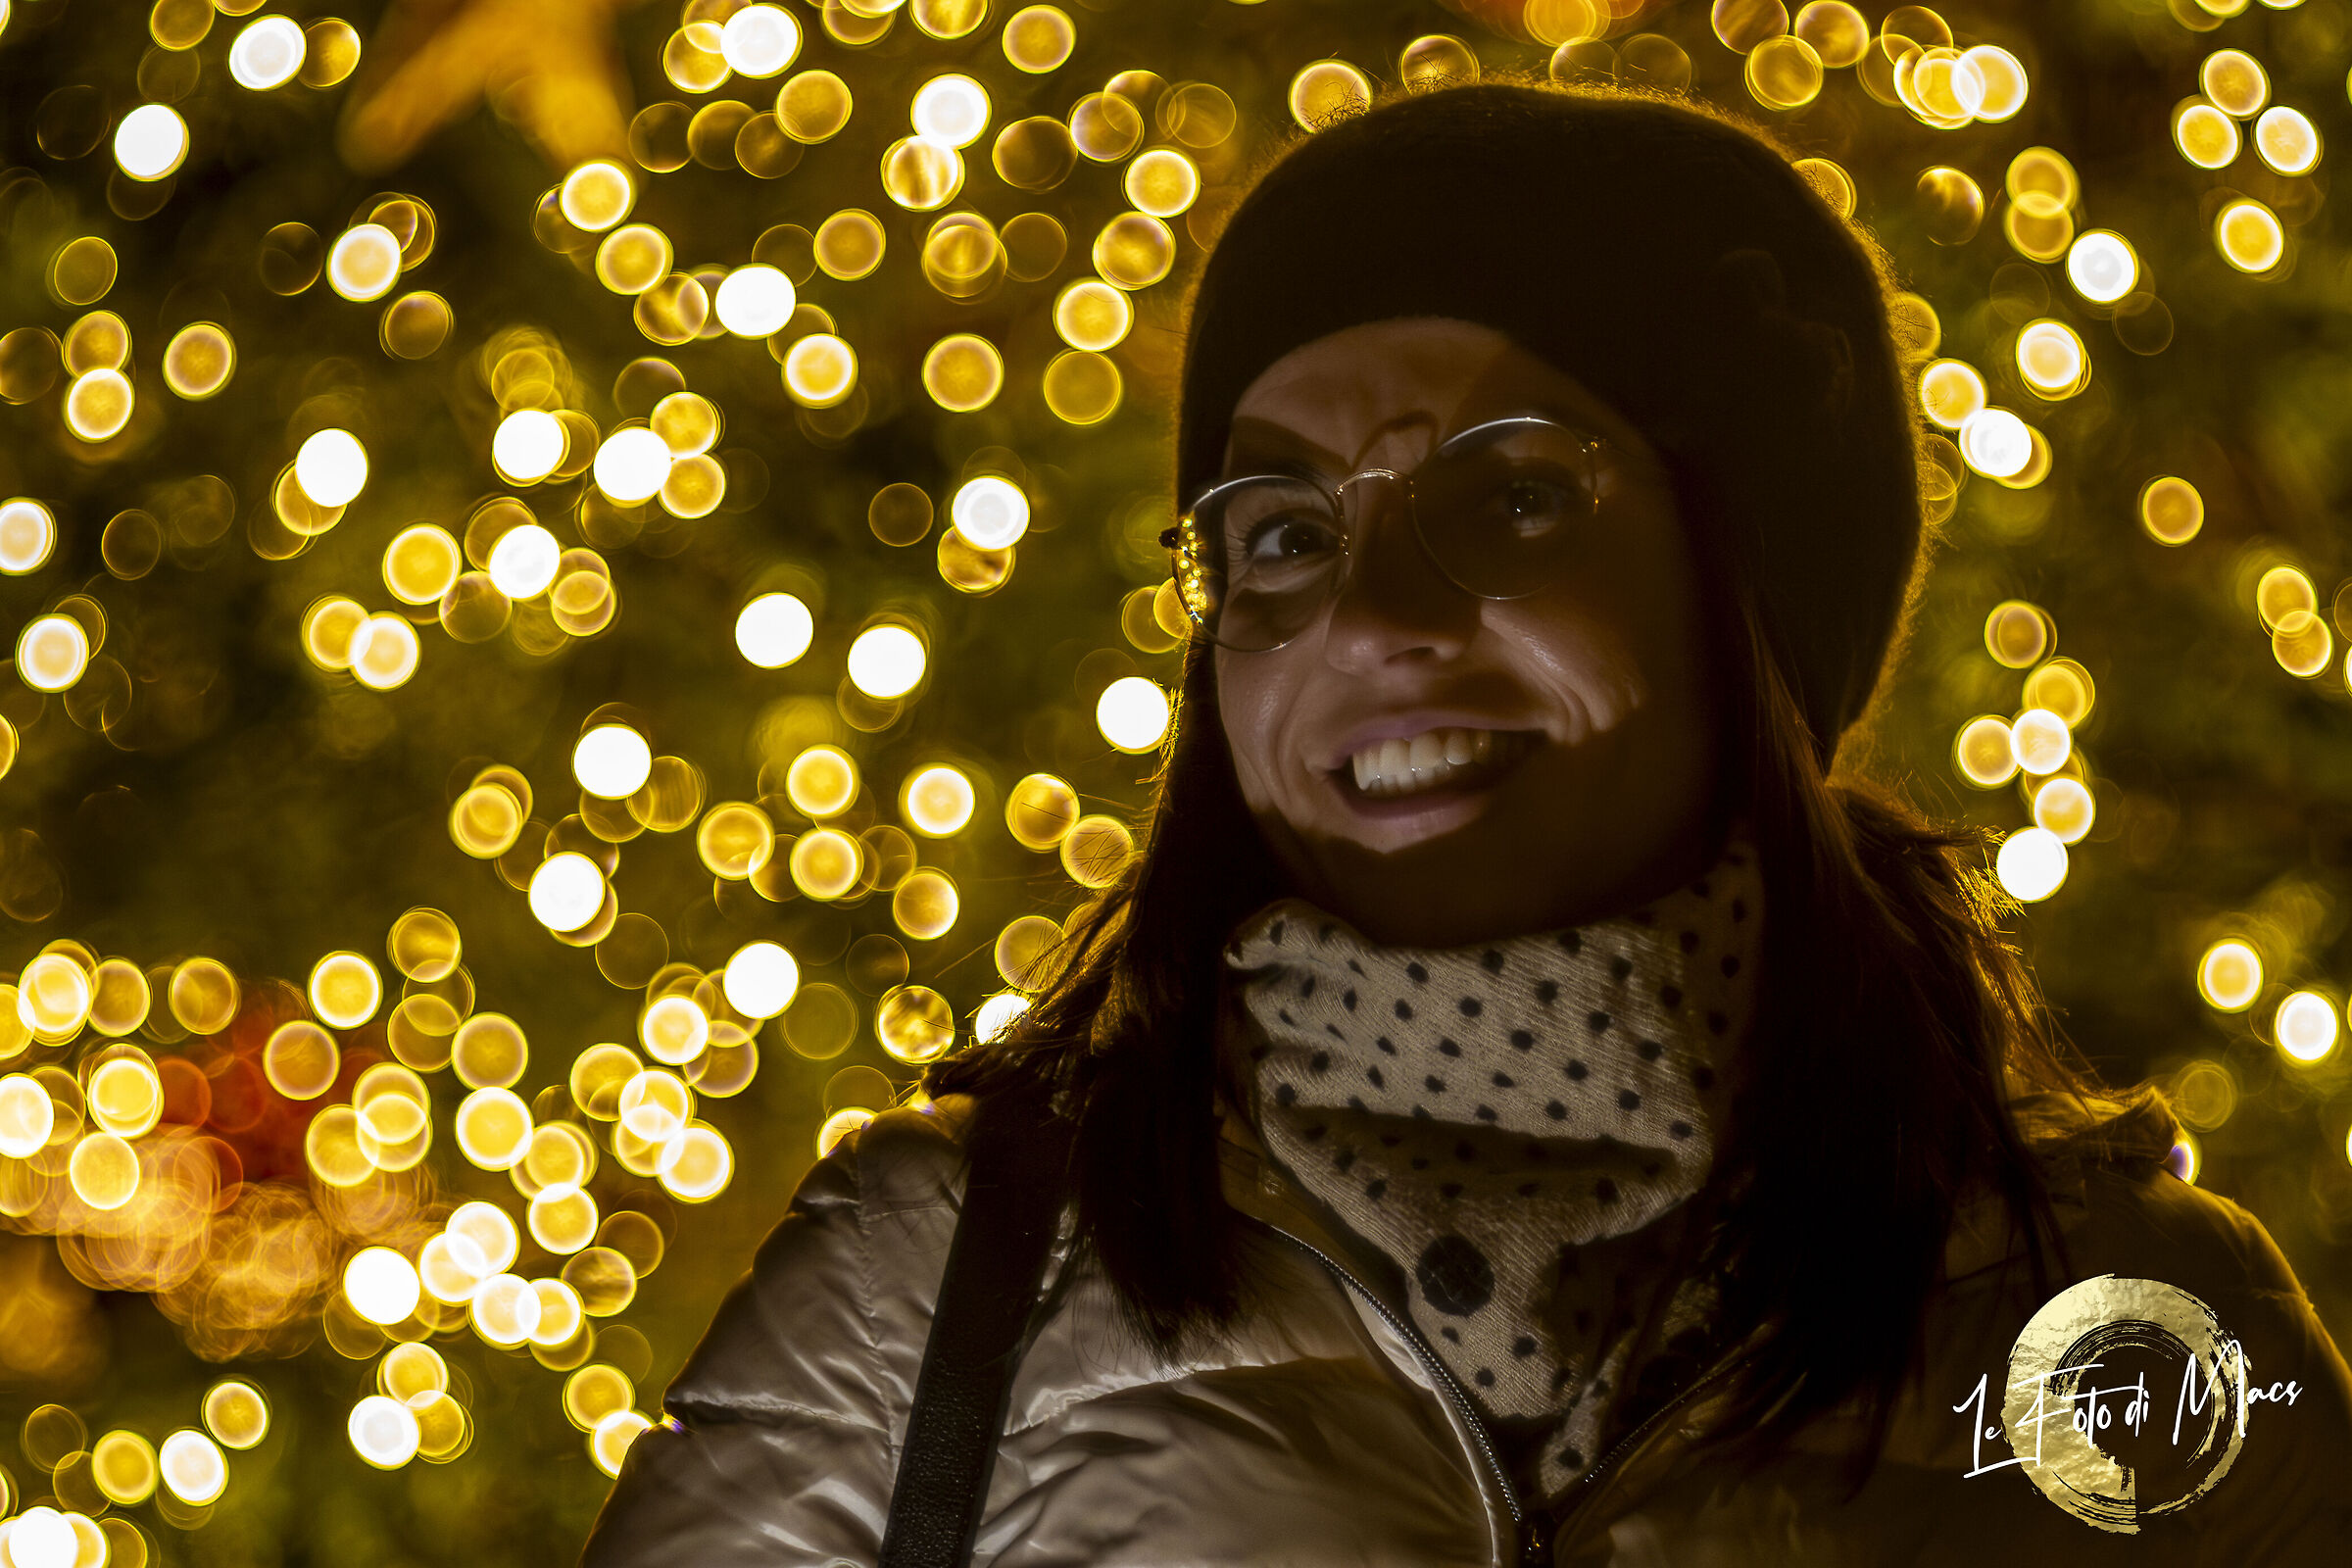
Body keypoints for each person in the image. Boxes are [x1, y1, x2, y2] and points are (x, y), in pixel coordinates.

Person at [580, 75, 2352, 1566]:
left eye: (1507, 500)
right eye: (1279, 532)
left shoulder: (2132, 1324)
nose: (1365, 617)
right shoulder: (929, 1270)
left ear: (1746, 582)